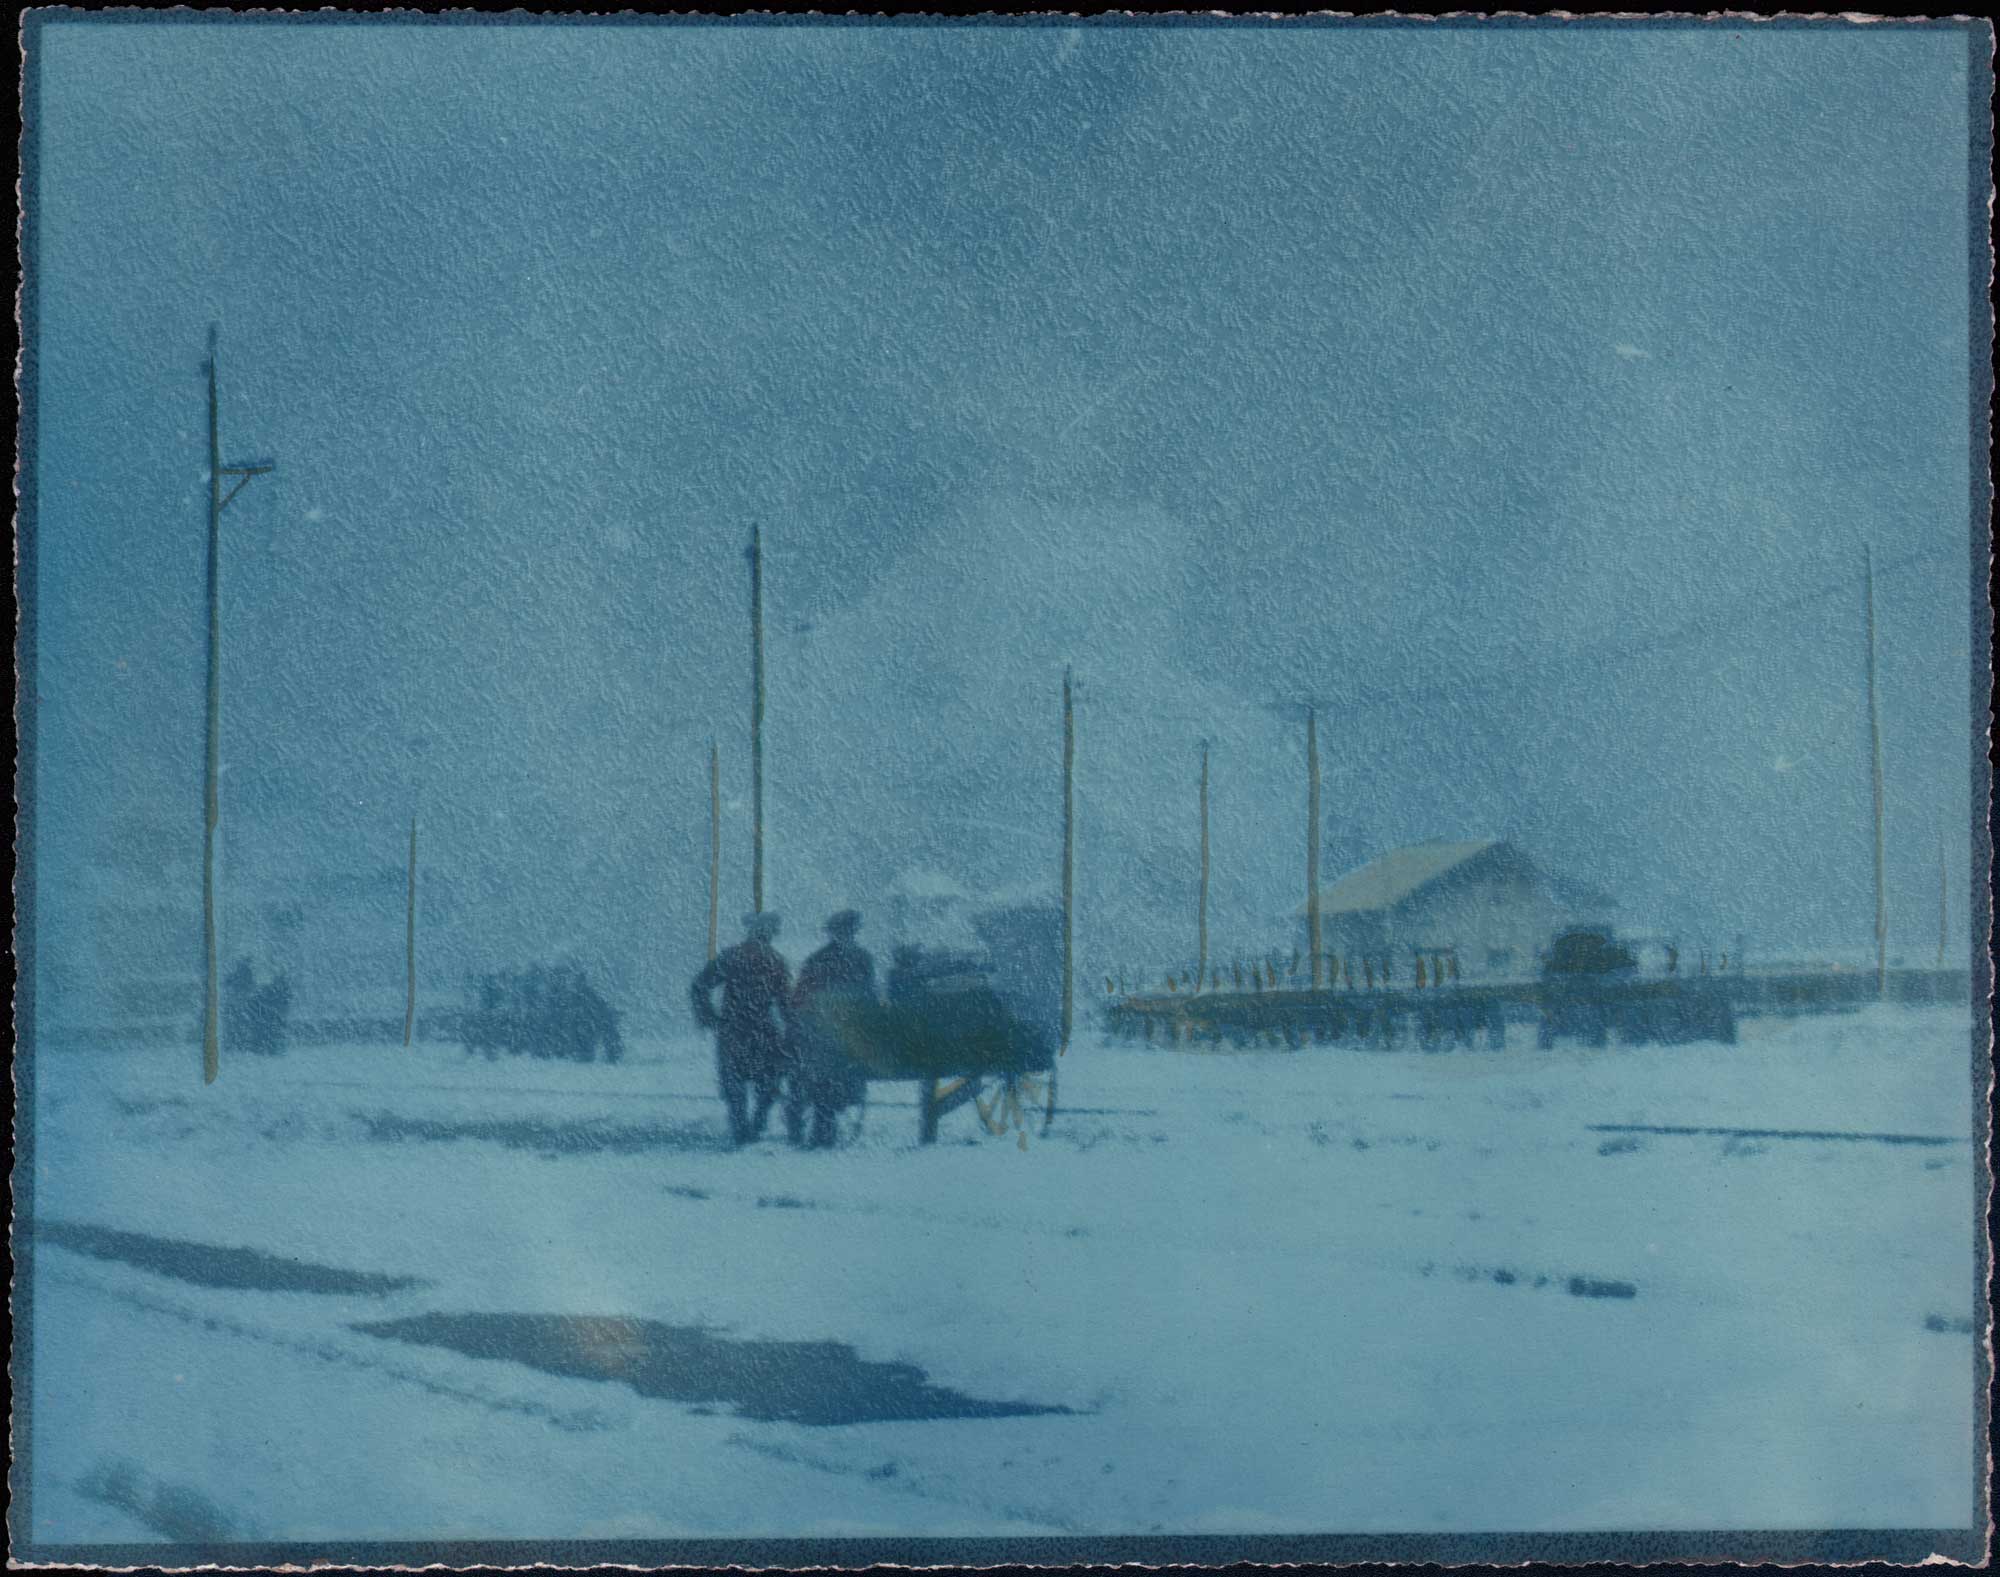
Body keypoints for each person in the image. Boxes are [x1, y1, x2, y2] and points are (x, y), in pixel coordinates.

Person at [689, 913, 791, 1147]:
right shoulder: (776, 961)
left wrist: (710, 1019)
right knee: (767, 1082)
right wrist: (793, 1028)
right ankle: (755, 1124)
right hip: (762, 1031)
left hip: (734, 1030)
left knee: (735, 1085)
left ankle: (742, 1127)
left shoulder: (731, 957)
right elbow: (786, 1002)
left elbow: (699, 986)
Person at [788, 909, 876, 1148]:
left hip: (830, 1032)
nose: (845, 936)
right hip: (836, 1032)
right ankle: (824, 1125)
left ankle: (821, 1126)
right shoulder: (861, 959)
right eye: (843, 931)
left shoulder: (819, 960)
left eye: (847, 931)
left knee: (823, 1081)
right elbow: (870, 997)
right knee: (830, 1081)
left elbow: (801, 996)